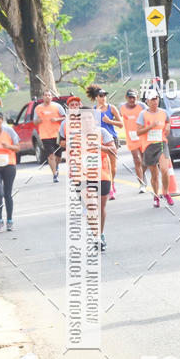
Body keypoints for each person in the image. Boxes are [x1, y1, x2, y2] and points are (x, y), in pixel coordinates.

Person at [59, 96, 116, 250]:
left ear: (94, 119)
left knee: (101, 207)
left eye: (89, 118)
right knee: (91, 206)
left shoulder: (102, 132)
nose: (86, 121)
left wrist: (99, 147)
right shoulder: (73, 136)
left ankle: (101, 233)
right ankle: (97, 237)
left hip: (102, 174)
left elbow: (114, 151)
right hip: (81, 176)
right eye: (83, 119)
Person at [136, 89, 173, 207]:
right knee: (154, 174)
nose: (155, 101)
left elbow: (167, 122)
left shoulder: (163, 112)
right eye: (152, 99)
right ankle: (156, 196)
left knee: (164, 169)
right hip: (148, 145)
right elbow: (138, 132)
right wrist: (150, 126)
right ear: (147, 101)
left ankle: (166, 193)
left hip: (162, 143)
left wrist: (168, 127)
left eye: (156, 98)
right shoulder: (143, 114)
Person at [93, 88, 122, 197]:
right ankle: (108, 187)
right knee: (103, 164)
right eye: (101, 95)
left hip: (112, 138)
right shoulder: (94, 110)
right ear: (96, 97)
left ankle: (112, 182)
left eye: (104, 95)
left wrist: (110, 121)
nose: (103, 97)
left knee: (113, 165)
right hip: (99, 139)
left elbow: (121, 124)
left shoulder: (112, 108)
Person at [0, 110, 19, 231]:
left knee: (7, 193)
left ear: (1, 120)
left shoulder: (9, 131)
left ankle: (9, 220)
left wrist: (8, 146)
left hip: (9, 164)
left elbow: (18, 147)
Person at [34, 89, 65, 181]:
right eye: (45, 95)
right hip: (45, 135)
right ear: (43, 97)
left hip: (57, 134)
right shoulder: (38, 108)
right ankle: (55, 174)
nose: (47, 96)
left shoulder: (57, 106)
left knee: (58, 157)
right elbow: (34, 121)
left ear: (51, 97)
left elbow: (65, 117)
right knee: (51, 155)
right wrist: (37, 121)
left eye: (49, 95)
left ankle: (57, 167)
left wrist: (57, 119)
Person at [120, 89, 147, 191]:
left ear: (137, 97)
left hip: (143, 136)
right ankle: (141, 184)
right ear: (126, 98)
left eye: (134, 98)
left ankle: (142, 174)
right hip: (131, 137)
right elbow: (117, 118)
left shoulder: (142, 107)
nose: (132, 100)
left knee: (145, 161)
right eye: (130, 98)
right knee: (137, 160)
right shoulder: (122, 108)